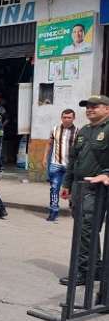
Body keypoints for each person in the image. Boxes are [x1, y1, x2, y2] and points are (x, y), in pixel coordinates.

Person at [59, 95, 109, 286]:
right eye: (87, 107)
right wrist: (66, 184)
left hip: (97, 189)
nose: (89, 109)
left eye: (95, 106)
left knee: (85, 230)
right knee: (87, 230)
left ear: (107, 109)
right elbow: (74, 160)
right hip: (79, 187)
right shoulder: (84, 131)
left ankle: (83, 272)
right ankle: (95, 268)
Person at [42, 109, 77, 221]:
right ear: (61, 118)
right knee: (54, 188)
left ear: (73, 118)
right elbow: (49, 144)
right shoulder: (55, 129)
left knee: (71, 190)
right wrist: (44, 158)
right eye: (64, 117)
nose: (66, 120)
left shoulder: (78, 131)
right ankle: (53, 211)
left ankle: (73, 207)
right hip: (55, 164)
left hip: (70, 166)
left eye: (69, 117)